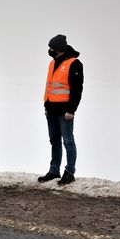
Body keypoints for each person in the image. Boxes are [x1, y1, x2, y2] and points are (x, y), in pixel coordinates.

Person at [38, 34, 83, 185]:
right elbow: (49, 86)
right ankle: (54, 170)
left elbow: (77, 90)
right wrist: (46, 105)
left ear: (59, 49)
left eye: (51, 48)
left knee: (68, 141)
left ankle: (69, 172)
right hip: (51, 110)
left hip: (65, 112)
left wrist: (71, 110)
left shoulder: (74, 63)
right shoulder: (52, 63)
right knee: (54, 141)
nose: (49, 51)